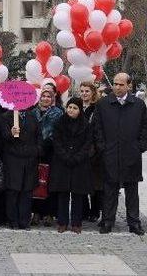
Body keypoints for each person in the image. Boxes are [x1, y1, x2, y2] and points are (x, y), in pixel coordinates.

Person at [93, 73, 147, 235]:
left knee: (131, 190)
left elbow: (145, 128)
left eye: (121, 85)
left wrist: (140, 147)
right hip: (109, 153)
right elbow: (97, 128)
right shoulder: (103, 104)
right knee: (109, 189)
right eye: (115, 84)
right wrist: (102, 147)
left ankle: (134, 222)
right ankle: (108, 221)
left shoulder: (138, 105)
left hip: (131, 153)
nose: (117, 87)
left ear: (129, 86)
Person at [49, 97, 92, 234]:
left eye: (75, 108)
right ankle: (62, 222)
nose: (71, 110)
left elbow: (87, 144)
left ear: (79, 110)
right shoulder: (59, 123)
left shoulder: (86, 124)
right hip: (62, 163)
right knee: (63, 194)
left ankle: (76, 223)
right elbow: (56, 142)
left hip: (79, 164)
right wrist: (66, 156)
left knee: (77, 195)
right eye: (69, 107)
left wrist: (77, 157)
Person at [0, 106, 42, 230]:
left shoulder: (32, 116)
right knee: (13, 191)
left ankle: (25, 221)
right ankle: (13, 221)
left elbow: (39, 135)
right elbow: (2, 138)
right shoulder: (6, 117)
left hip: (29, 158)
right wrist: (11, 134)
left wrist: (37, 150)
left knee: (27, 191)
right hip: (13, 159)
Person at [30, 89, 63, 226]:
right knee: (36, 182)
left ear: (53, 98)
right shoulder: (33, 112)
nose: (45, 98)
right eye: (43, 96)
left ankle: (49, 213)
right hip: (35, 151)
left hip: (51, 151)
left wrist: (47, 144)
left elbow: (59, 132)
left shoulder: (58, 113)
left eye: (48, 96)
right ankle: (36, 213)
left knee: (49, 182)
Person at [79, 82, 102, 223]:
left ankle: (95, 211)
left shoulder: (97, 109)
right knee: (80, 183)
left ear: (93, 92)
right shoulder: (78, 107)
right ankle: (84, 211)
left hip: (94, 151)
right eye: (82, 91)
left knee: (95, 185)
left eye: (87, 91)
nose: (84, 93)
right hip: (79, 150)